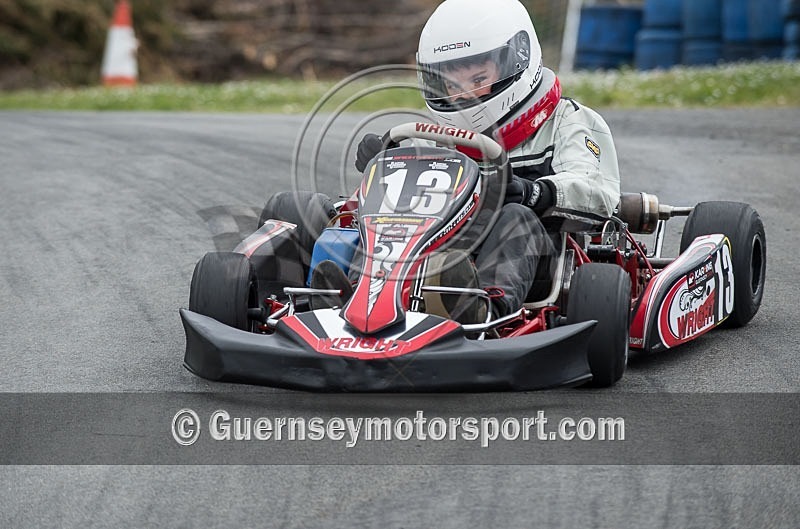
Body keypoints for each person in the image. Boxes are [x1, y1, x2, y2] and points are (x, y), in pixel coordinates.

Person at [315, 0, 621, 321]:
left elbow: (597, 191)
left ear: (517, 59)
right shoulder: (436, 134)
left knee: (516, 216)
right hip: (441, 255)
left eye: (478, 80)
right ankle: (354, 299)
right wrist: (385, 162)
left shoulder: (567, 121)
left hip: (532, 261)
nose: (463, 96)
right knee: (389, 220)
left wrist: (535, 193)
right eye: (453, 84)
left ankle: (484, 309)